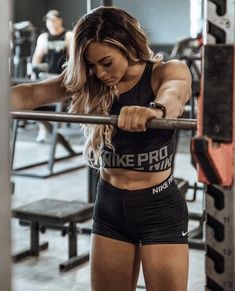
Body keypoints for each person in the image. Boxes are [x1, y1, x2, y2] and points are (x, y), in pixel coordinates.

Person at [11, 6, 192, 291]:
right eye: (92, 65)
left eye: (106, 62)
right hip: (109, 207)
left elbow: (176, 92)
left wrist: (155, 110)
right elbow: (33, 93)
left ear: (128, 45)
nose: (100, 73)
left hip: (159, 209)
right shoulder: (90, 81)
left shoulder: (165, 71)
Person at [32, 9, 72, 142]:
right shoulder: (43, 38)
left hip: (62, 77)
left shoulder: (68, 36)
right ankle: (43, 130)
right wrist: (37, 69)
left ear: (60, 20)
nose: (51, 23)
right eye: (49, 21)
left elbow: (73, 59)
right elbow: (37, 58)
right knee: (40, 102)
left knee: (60, 103)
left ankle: (57, 131)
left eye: (54, 20)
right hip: (47, 76)